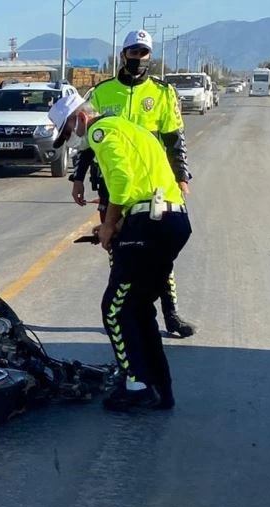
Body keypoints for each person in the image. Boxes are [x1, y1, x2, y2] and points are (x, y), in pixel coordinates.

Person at [49, 92, 192, 411]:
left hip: (150, 225)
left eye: (70, 132)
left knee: (114, 308)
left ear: (80, 118)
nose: (73, 141)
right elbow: (142, 183)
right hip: (173, 221)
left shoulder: (102, 132)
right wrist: (117, 225)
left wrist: (110, 224)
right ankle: (159, 386)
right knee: (139, 309)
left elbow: (123, 184)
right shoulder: (132, 129)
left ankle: (135, 384)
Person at [70, 29, 197, 339]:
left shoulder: (163, 93)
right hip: (111, 186)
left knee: (158, 253)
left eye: (143, 53)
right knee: (118, 247)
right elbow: (88, 141)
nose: (137, 58)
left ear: (149, 56)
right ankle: (123, 308)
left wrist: (181, 176)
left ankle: (170, 314)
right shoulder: (102, 92)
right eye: (132, 52)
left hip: (153, 186)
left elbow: (174, 139)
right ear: (123, 54)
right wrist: (78, 178)